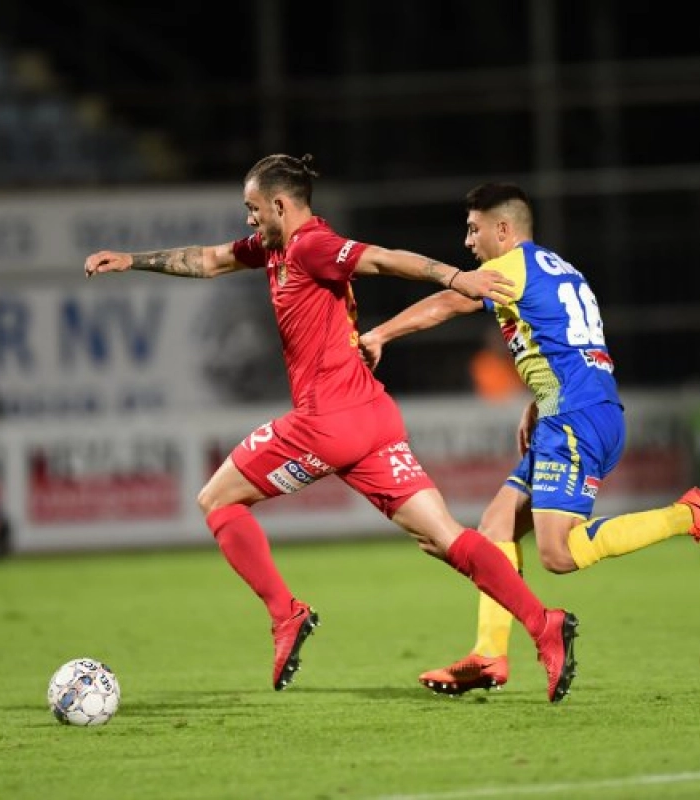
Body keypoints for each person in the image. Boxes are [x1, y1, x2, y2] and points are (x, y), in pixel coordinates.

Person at [84, 154, 579, 703]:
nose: (248, 220)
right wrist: (131, 260)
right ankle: (544, 625)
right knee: (447, 537)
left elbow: (386, 260)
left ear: (279, 205)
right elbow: (209, 259)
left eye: (253, 209)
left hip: (325, 423)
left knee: (217, 500)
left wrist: (455, 276)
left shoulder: (311, 246)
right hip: (373, 418)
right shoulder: (273, 248)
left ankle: (285, 614)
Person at [358, 183, 700, 695]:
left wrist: (380, 334)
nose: (468, 241)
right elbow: (574, 343)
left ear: (504, 230)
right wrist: (537, 401)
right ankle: (490, 655)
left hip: (575, 421)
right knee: (496, 522)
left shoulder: (512, 267)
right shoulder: (560, 268)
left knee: (557, 555)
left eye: (474, 229)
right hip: (581, 411)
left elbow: (454, 300)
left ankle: (687, 515)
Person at [469, 324, 526, 403]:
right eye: (498, 340)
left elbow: (523, 388)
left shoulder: (516, 360)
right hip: (491, 407)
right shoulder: (483, 362)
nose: (502, 344)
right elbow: (490, 392)